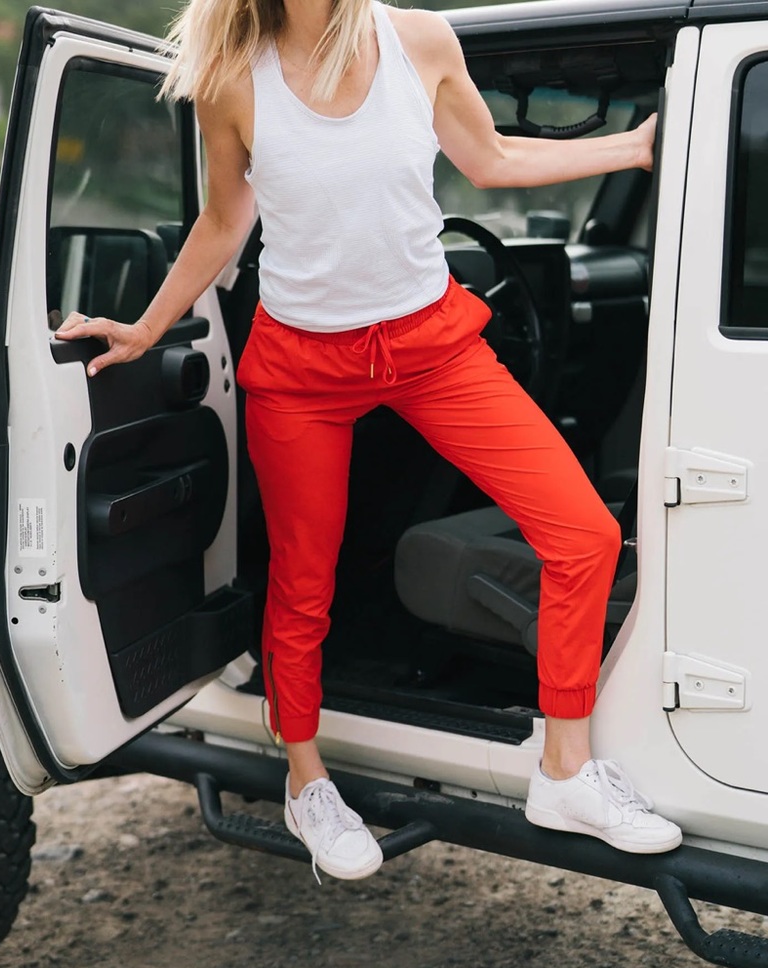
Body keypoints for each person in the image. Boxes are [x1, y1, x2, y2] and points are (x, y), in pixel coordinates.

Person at [56, 0, 683, 882]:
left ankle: (565, 771)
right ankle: (306, 780)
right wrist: (148, 329)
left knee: (582, 533)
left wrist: (633, 148)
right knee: (304, 586)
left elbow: (489, 157)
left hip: (430, 344)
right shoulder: (235, 80)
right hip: (301, 367)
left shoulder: (419, 40)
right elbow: (223, 222)